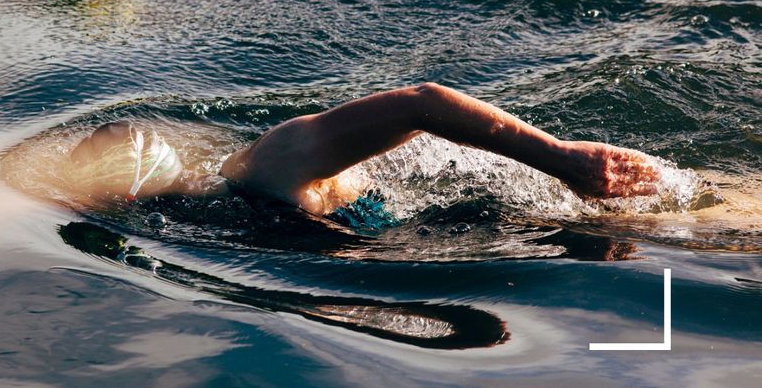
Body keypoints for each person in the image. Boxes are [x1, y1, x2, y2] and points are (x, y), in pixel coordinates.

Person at [66, 83, 663, 225]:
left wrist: (564, 159)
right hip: (442, 221)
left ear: (129, 198)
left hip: (544, 194)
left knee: (700, 219)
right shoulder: (226, 208)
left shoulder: (267, 165)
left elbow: (421, 102)